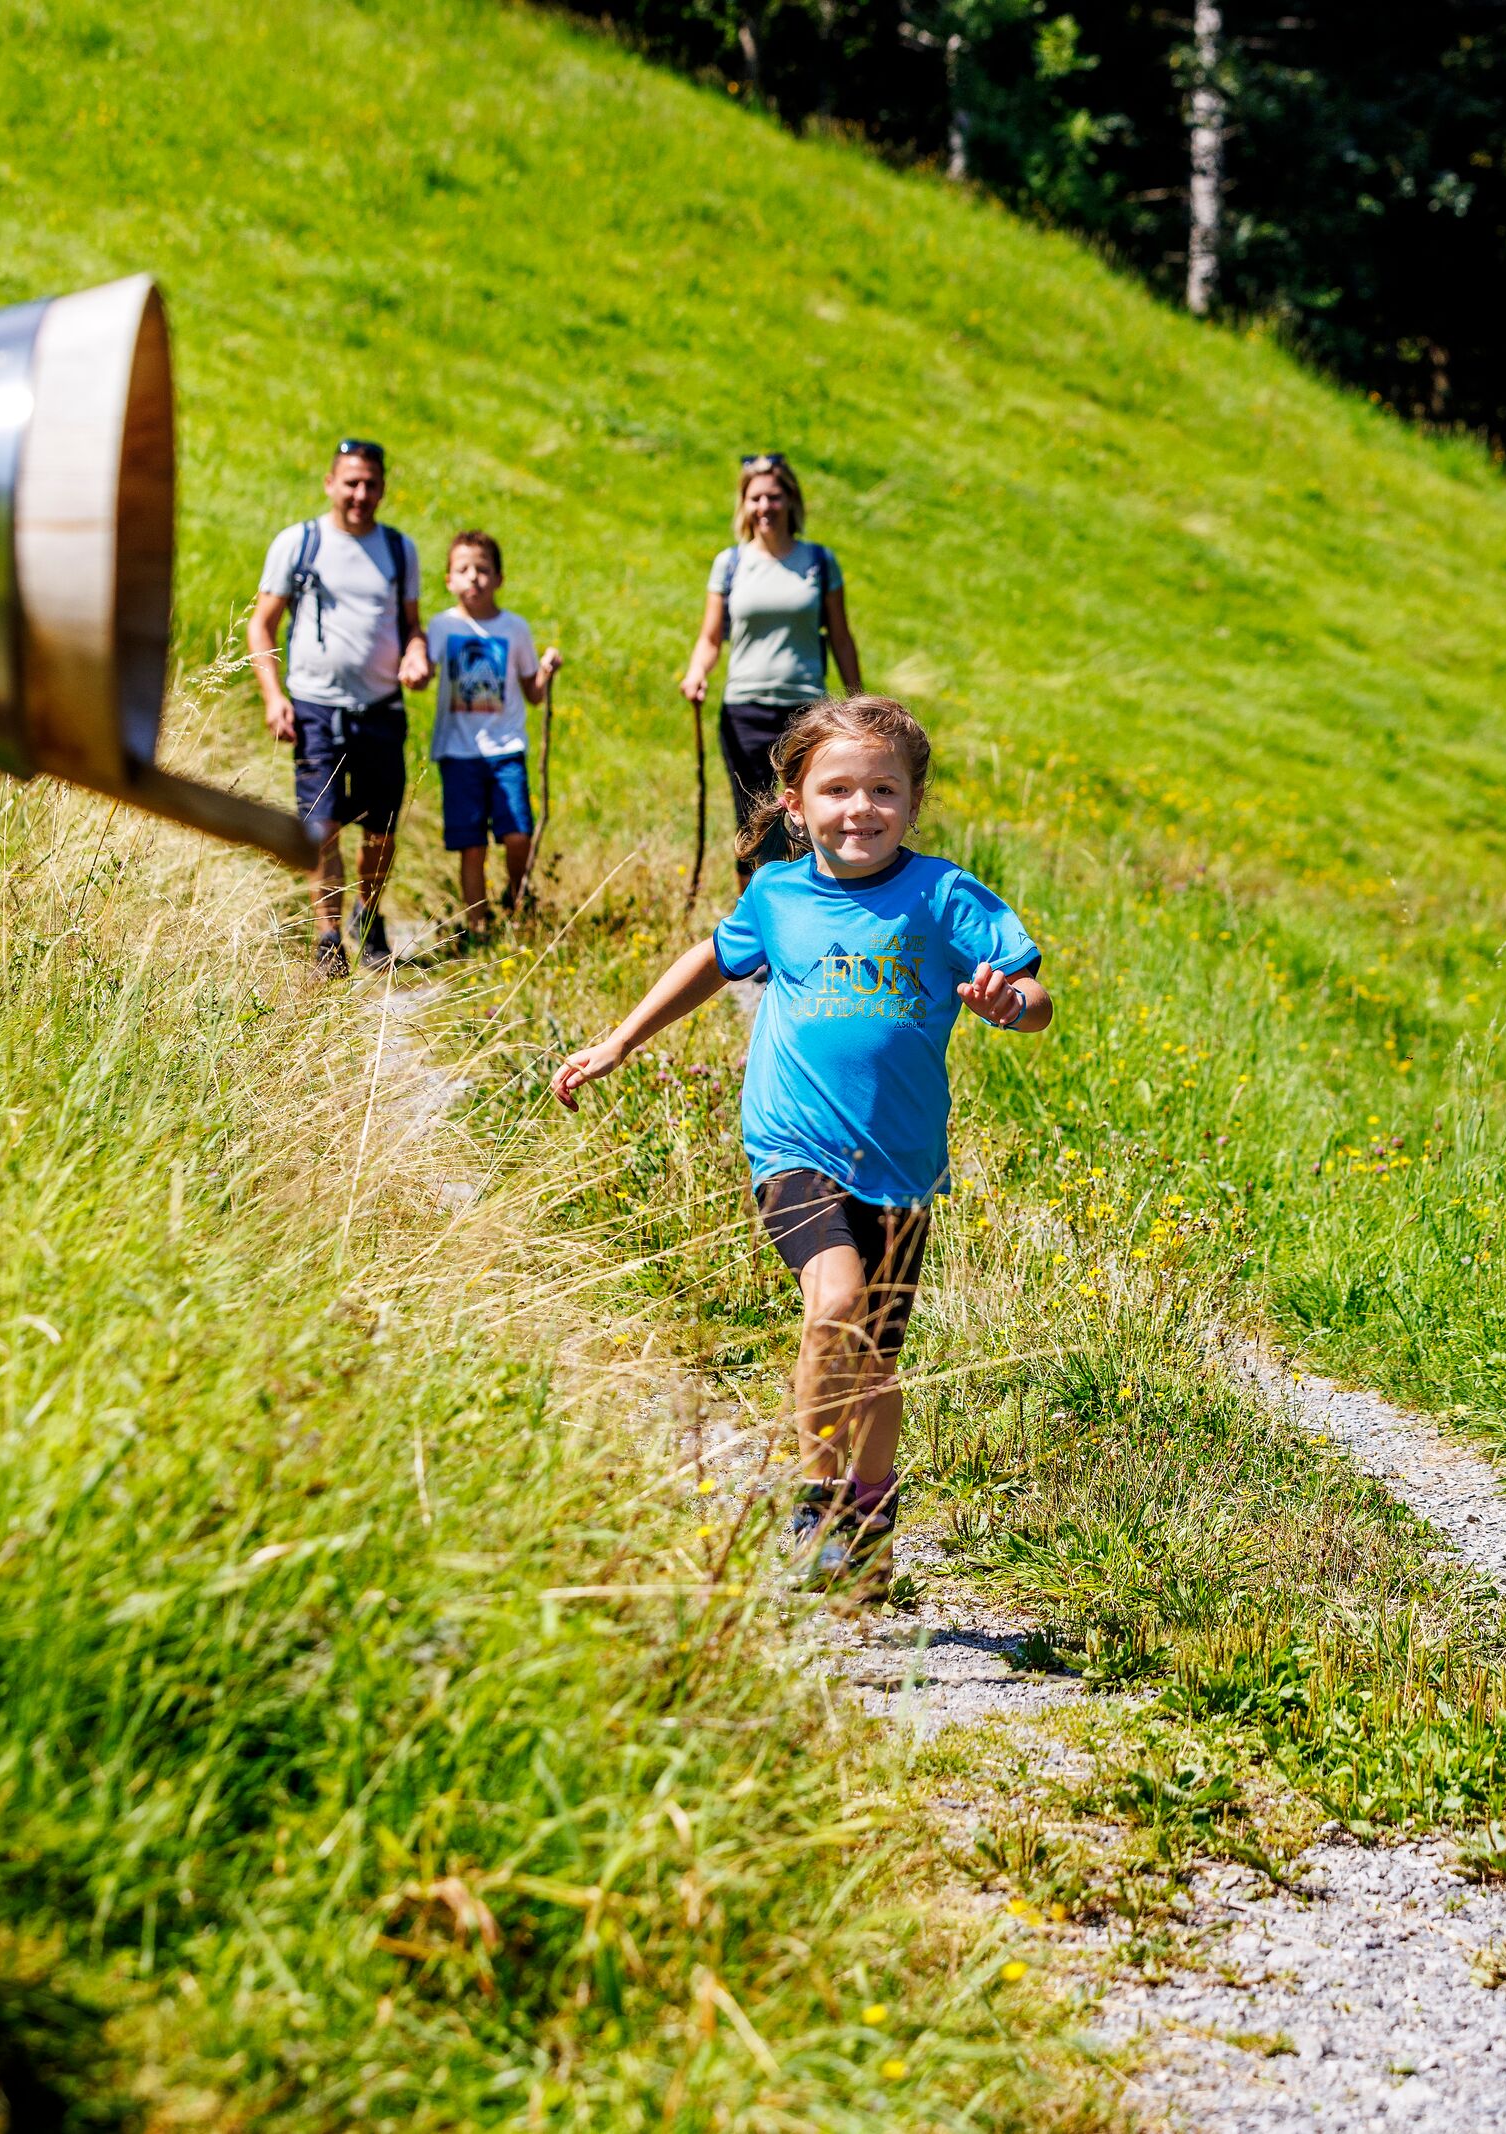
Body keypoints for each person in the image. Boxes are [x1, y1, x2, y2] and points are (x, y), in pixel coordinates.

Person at [551, 696, 1047, 1596]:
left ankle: (869, 1524)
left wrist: (1012, 1005)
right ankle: (814, 1509)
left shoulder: (941, 896)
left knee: (876, 1365)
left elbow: (1034, 994)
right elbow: (712, 960)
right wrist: (621, 1041)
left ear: (913, 803)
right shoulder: (777, 896)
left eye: (884, 791)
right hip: (793, 1147)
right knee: (834, 1304)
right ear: (794, 801)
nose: (861, 809)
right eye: (839, 789)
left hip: (899, 1166)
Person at [248, 439, 428, 974]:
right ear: (329, 483)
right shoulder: (299, 543)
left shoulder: (399, 550)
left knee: (382, 829)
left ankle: (368, 922)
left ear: (383, 489)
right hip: (316, 708)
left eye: (371, 484)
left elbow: (413, 625)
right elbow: (262, 623)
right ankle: (328, 938)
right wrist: (274, 696)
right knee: (320, 824)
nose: (361, 494)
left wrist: (417, 653)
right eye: (351, 482)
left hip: (381, 710)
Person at [678, 454, 861, 883]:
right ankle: (752, 921)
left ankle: (807, 910)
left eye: (774, 497)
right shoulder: (731, 564)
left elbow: (840, 637)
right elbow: (710, 637)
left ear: (790, 501)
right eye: (755, 497)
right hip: (744, 710)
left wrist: (856, 703)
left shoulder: (818, 562)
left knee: (805, 815)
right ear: (744, 504)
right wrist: (696, 673)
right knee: (753, 817)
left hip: (806, 712)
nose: (765, 506)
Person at [413, 530, 562, 939]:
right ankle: (477, 928)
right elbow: (423, 673)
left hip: (505, 748)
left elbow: (533, 693)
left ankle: (517, 906)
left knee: (518, 834)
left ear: (499, 578)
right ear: (448, 580)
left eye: (482, 569)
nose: (473, 578)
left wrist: (547, 669)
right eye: (462, 569)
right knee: (471, 844)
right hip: (459, 753)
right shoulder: (441, 627)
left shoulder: (514, 628)